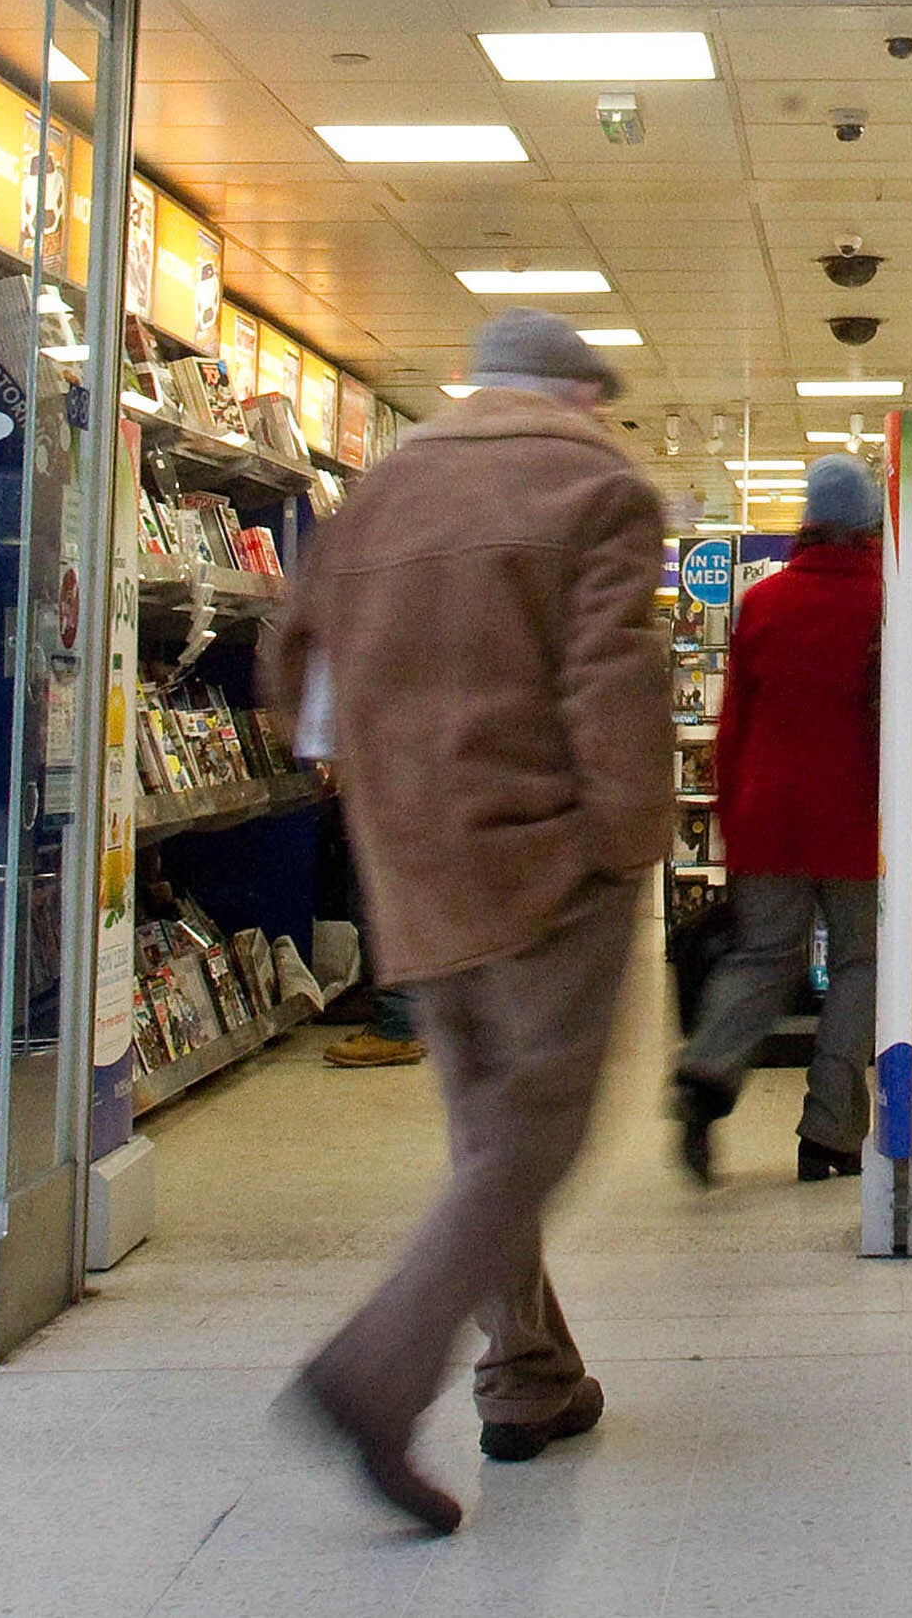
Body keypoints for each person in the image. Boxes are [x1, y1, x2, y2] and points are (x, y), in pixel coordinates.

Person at [260, 308, 668, 1534]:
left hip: (414, 864)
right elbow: (609, 682)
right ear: (576, 395)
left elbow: (289, 669)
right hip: (546, 860)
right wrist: (628, 838)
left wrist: (385, 788)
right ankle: (374, 1373)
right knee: (531, 1137)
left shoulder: (378, 492)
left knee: (485, 1128)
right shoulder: (599, 490)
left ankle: (528, 1373)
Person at [672, 455, 887, 1186]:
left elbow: (733, 728)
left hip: (766, 812)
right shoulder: (886, 603)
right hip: (854, 815)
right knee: (860, 964)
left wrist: (734, 816)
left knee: (763, 955)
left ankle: (705, 1076)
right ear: (867, 528)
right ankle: (829, 1133)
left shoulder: (762, 602)